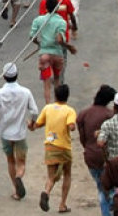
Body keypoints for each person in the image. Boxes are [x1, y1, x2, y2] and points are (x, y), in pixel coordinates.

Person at [0, 62, 39, 201]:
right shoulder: (26, 92)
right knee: (21, 162)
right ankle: (19, 177)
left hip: (5, 132)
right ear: (17, 75)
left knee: (10, 160)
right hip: (20, 133)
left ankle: (16, 191)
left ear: (4, 77)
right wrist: (32, 122)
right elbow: (34, 111)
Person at [33, 83, 77, 213]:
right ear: (67, 96)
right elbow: (71, 125)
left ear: (55, 95)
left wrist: (31, 125)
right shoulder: (70, 111)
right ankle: (62, 204)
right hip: (64, 148)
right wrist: (71, 127)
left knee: (51, 177)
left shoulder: (48, 108)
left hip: (50, 147)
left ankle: (46, 192)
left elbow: (38, 124)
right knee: (67, 174)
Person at [77, 84, 118, 216]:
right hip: (108, 157)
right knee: (111, 189)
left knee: (101, 188)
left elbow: (82, 139)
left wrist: (89, 148)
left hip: (90, 156)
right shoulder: (110, 115)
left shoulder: (83, 114)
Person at [31, 0, 76, 103]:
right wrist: (69, 47)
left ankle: (48, 106)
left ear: (46, 7)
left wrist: (40, 44)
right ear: (57, 8)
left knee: (46, 85)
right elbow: (60, 40)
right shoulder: (61, 22)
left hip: (44, 55)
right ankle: (57, 105)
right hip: (57, 54)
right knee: (57, 80)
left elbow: (33, 37)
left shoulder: (39, 20)